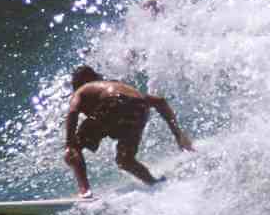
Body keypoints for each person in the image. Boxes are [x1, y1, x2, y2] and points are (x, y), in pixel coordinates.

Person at [64, 65, 193, 197]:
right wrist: (178, 134)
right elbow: (160, 101)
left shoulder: (81, 90)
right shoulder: (117, 86)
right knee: (125, 160)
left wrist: (69, 144)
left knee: (75, 146)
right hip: (139, 108)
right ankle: (155, 184)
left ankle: (85, 191)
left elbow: (72, 113)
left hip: (113, 102)